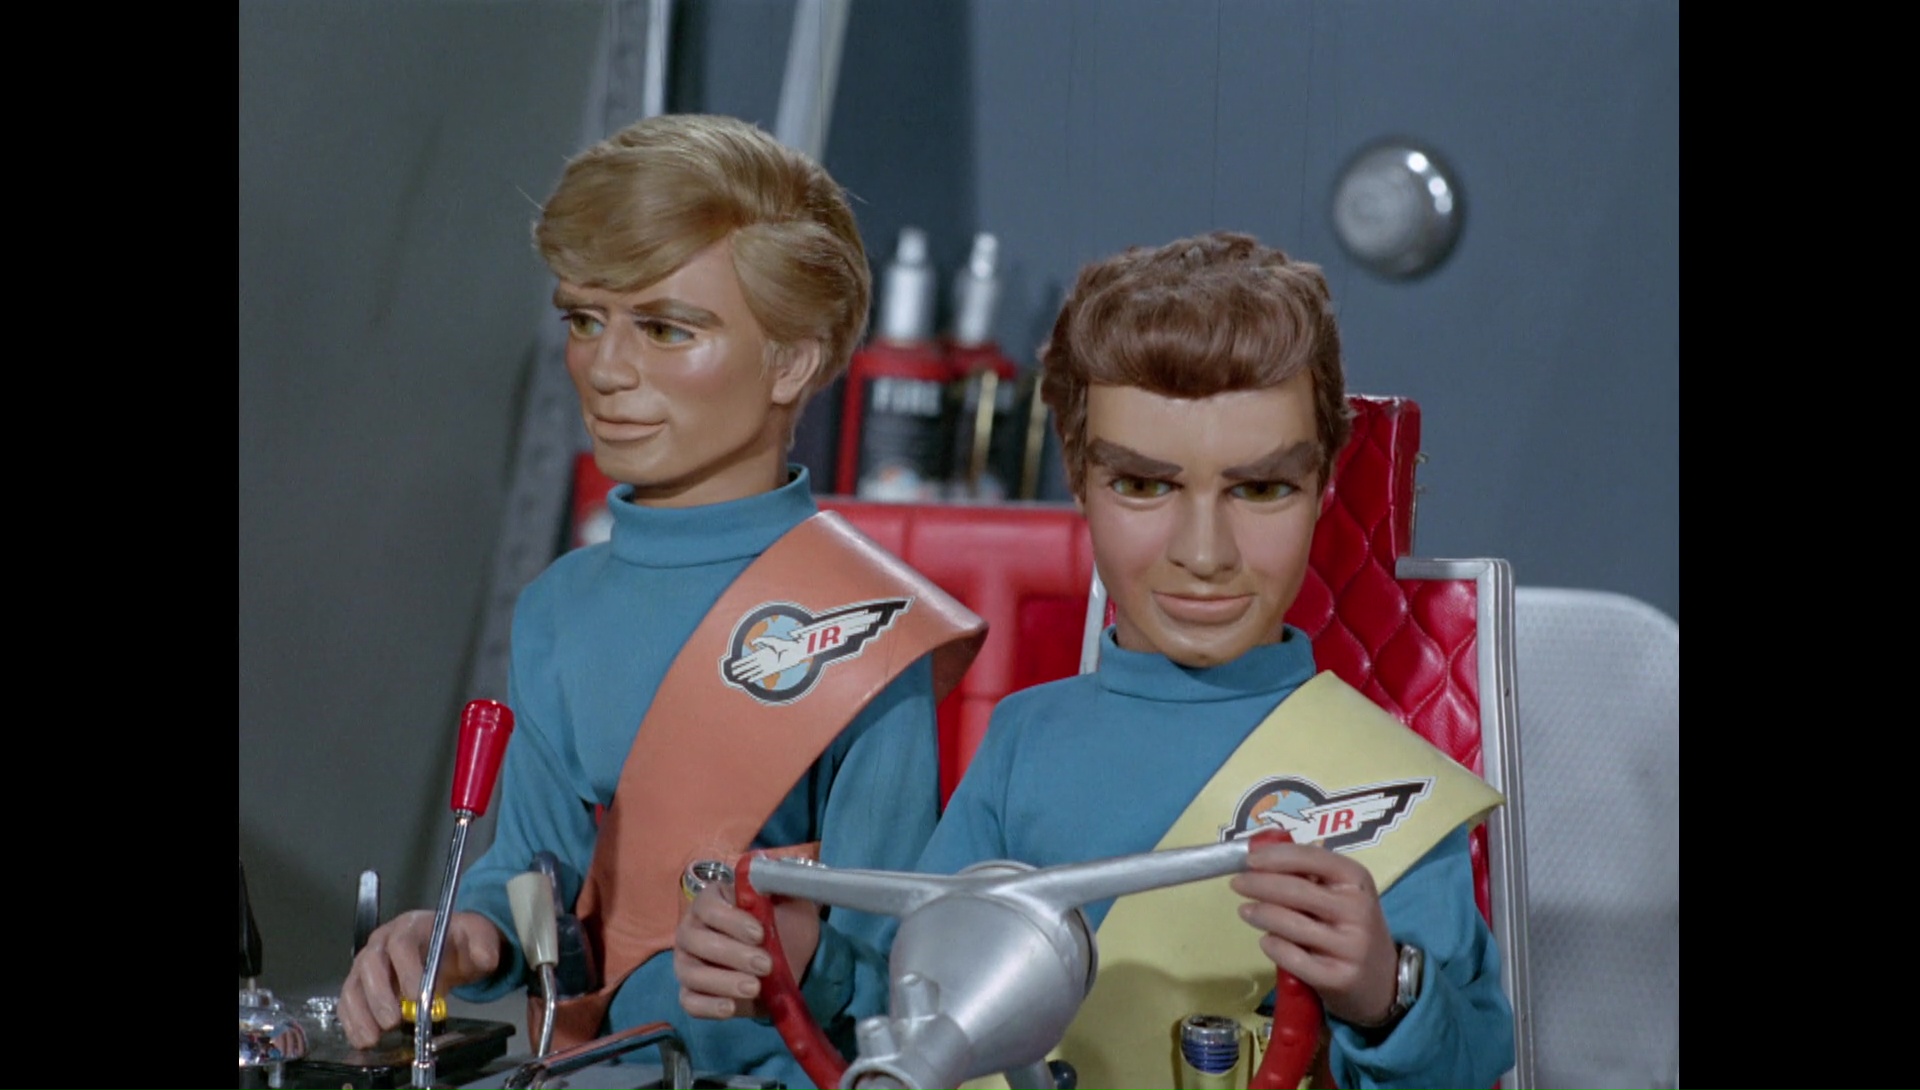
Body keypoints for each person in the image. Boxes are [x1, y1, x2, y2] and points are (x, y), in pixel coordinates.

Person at [675, 230, 1515, 1090]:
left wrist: (1385, 993)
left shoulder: (1383, 785)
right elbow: (912, 990)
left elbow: (1470, 1056)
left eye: (1261, 488)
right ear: (1078, 477)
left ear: (1323, 485)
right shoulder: (1027, 739)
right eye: (1144, 486)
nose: (1203, 552)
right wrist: (797, 960)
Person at [336, 113, 985, 1089]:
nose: (606, 369)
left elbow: (906, 954)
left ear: (792, 360)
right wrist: (464, 934)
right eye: (584, 320)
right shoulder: (558, 608)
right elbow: (536, 869)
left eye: (666, 328)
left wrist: (798, 959)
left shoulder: (868, 624)